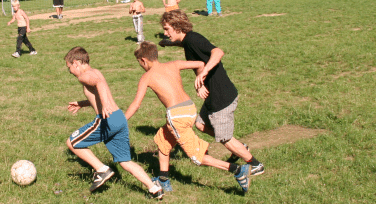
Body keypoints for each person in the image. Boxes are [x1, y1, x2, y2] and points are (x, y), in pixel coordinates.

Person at [124, 42, 252, 193]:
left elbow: (136, 105)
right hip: (190, 109)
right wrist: (200, 83)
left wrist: (121, 120)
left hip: (177, 116)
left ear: (143, 60)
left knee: (197, 157)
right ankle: (164, 179)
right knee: (163, 140)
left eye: (139, 63)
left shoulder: (146, 77)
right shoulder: (174, 64)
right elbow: (200, 63)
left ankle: (237, 170)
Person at [157, 10, 266, 176]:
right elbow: (187, 47)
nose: (165, 33)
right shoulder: (187, 41)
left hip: (221, 96)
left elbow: (218, 52)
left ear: (178, 28)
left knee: (224, 138)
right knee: (200, 124)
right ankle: (238, 146)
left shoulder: (194, 39)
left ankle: (255, 164)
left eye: (167, 29)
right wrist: (168, 43)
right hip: (212, 94)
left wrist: (204, 72)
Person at [62, 47, 163, 199]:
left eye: (69, 67)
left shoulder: (84, 77)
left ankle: (101, 169)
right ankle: (154, 189)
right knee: (125, 161)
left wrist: (104, 107)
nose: (69, 71)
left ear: (76, 63)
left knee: (72, 142)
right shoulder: (96, 71)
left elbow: (99, 85)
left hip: (107, 119)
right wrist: (82, 103)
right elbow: (99, 91)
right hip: (119, 118)